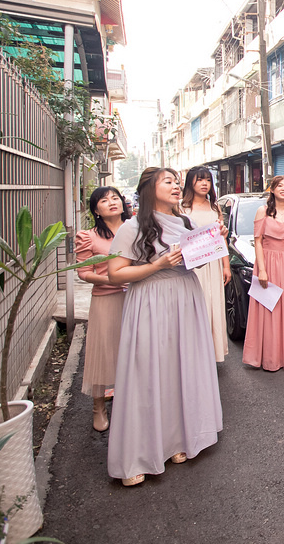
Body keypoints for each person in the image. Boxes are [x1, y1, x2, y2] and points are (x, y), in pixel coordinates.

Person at [107, 167, 223, 487]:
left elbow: (193, 260)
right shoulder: (132, 228)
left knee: (178, 369)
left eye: (176, 182)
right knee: (147, 372)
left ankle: (175, 441)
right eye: (168, 181)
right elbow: (115, 274)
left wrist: (212, 245)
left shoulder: (185, 222)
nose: (175, 186)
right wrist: (156, 265)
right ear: (149, 189)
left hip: (186, 297)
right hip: (150, 300)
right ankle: (139, 454)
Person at [76, 186, 131, 432]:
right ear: (95, 209)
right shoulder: (88, 236)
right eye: (104, 200)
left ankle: (129, 402)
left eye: (115, 198)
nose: (111, 202)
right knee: (103, 352)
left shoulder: (136, 229)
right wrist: (113, 279)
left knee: (131, 351)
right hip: (106, 300)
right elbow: (84, 272)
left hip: (136, 298)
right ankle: (99, 405)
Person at [242, 175, 284, 372]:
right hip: (269, 263)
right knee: (269, 310)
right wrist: (262, 269)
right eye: (280, 186)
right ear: (272, 189)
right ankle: (269, 357)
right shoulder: (263, 211)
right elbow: (258, 241)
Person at [181, 166, 231, 363]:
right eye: (199, 180)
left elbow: (221, 239)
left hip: (213, 264)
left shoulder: (214, 207)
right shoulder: (181, 208)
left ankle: (211, 353)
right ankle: (192, 355)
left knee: (213, 306)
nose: (204, 184)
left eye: (208, 180)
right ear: (190, 183)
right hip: (191, 266)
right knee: (193, 307)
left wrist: (226, 266)